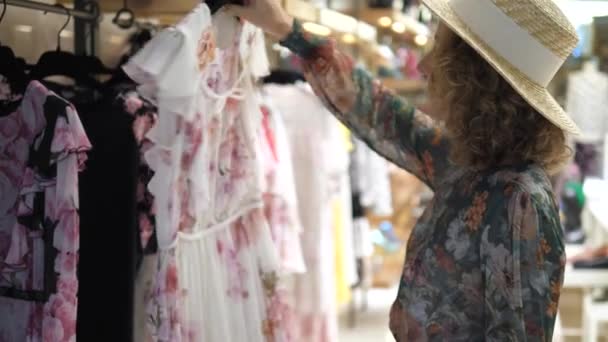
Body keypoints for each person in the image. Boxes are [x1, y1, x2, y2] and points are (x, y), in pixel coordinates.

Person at [226, 0, 580, 340]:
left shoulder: (519, 200)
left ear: (473, 77)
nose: (424, 66)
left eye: (438, 51)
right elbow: (382, 113)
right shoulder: (471, 165)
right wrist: (287, 29)